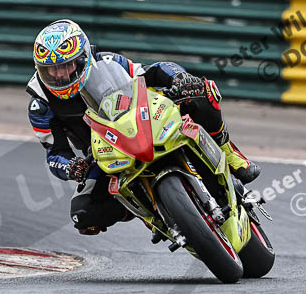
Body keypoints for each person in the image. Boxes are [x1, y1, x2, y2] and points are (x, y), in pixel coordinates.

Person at [27, 19, 260, 235]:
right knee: (83, 215)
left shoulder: (107, 62)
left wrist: (180, 78)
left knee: (200, 92)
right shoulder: (40, 103)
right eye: (50, 69)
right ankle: (145, 211)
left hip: (141, 121)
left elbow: (153, 71)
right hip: (104, 155)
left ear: (82, 59)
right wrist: (71, 167)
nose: (58, 76)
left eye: (65, 66)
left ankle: (229, 152)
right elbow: (55, 153)